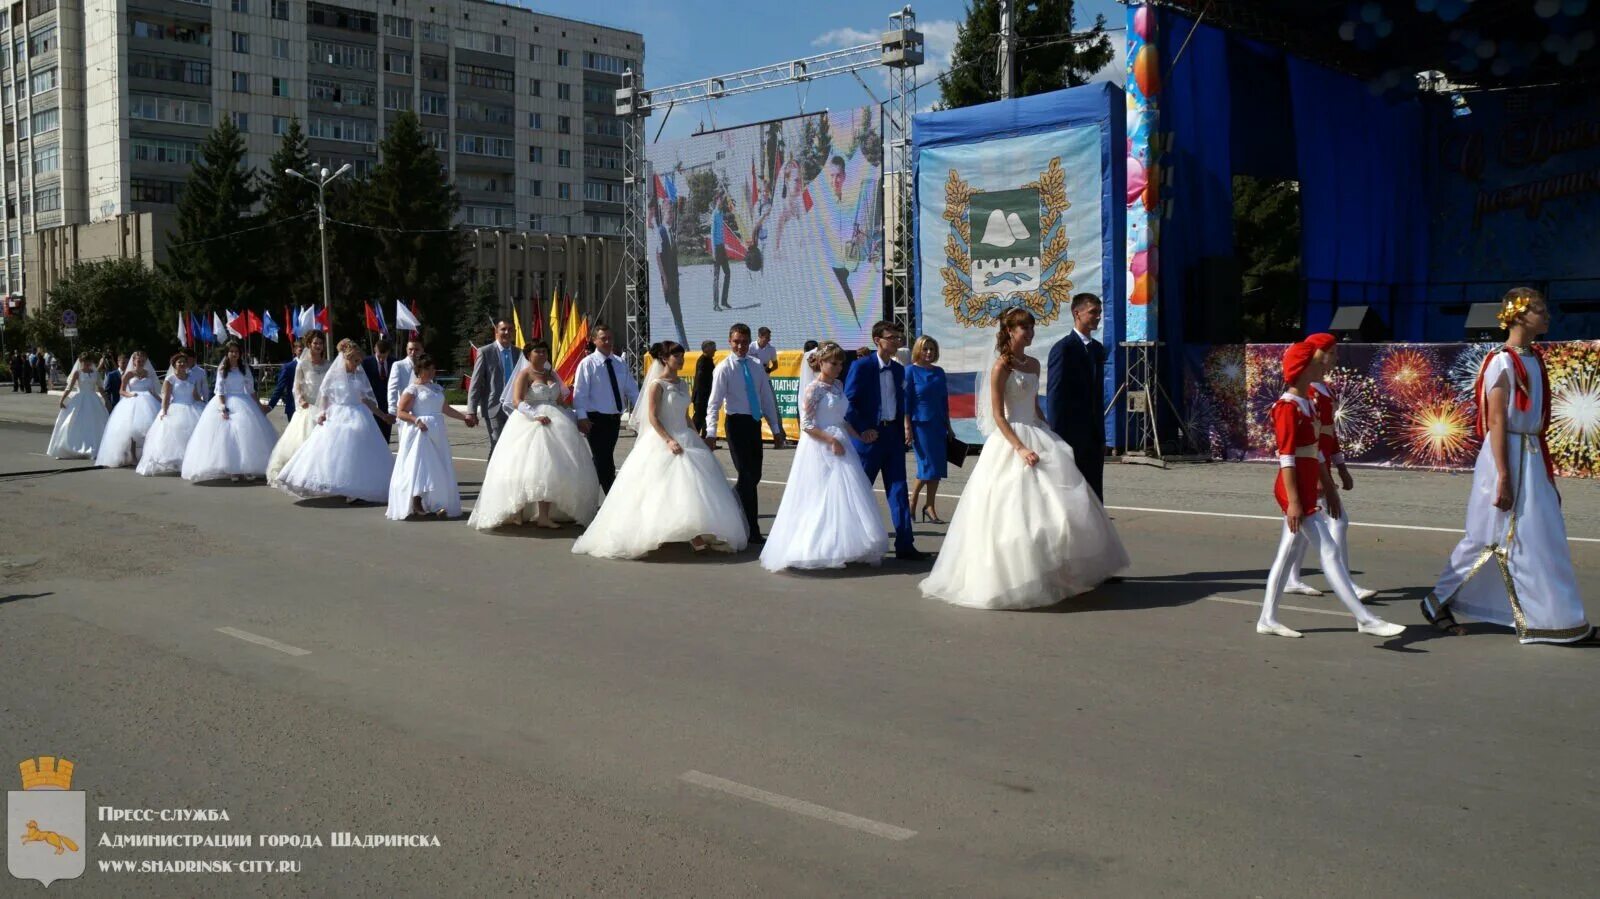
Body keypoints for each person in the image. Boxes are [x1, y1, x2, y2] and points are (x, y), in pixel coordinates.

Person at [921, 308, 1128, 610]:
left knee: (1057, 508)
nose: (1029, 333)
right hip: (1010, 439)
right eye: (1023, 329)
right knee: (1012, 511)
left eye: (1031, 328)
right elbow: (997, 415)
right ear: (1009, 332)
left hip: (1034, 431)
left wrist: (1048, 431)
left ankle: (1053, 572)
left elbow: (1033, 405)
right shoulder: (1000, 366)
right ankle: (1007, 578)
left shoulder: (1033, 363)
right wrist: (1019, 447)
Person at [1424, 288, 1592, 644]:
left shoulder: (1532, 357)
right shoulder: (1500, 361)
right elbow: (1497, 420)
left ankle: (1553, 617)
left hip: (1529, 452)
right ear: (1518, 315)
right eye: (1539, 310)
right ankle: (1438, 599)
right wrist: (1503, 475)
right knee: (1490, 534)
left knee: (1538, 535)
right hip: (1508, 454)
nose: (1547, 316)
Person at [1256, 341, 1405, 639]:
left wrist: (1330, 487)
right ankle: (1365, 619)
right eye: (1315, 364)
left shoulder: (1306, 403)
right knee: (1328, 550)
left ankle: (1267, 619)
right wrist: (1296, 502)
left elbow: (1316, 452)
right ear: (1301, 370)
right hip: (1295, 487)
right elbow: (1287, 459)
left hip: (1308, 483)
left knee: (1287, 553)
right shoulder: (1286, 407)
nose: (1321, 367)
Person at [573, 341, 748, 559]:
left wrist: (697, 436)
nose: (681, 361)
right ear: (665, 359)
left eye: (682, 357)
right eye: (677, 357)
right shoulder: (657, 384)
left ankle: (695, 531)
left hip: (685, 436)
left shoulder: (683, 384)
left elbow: (685, 416)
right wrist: (668, 440)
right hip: (662, 439)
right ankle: (666, 533)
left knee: (691, 487)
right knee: (659, 489)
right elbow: (653, 418)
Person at [761, 344, 888, 572]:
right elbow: (808, 425)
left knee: (843, 496)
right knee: (819, 494)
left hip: (841, 441)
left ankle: (843, 545)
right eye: (833, 363)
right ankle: (815, 547)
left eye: (840, 363)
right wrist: (831, 440)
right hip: (820, 446)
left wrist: (859, 435)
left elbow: (842, 419)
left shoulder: (839, 386)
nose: (838, 367)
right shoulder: (813, 389)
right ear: (821, 363)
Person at [1281, 333, 1378, 601]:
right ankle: (1346, 584)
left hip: (1319, 464)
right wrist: (1320, 475)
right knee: (1338, 521)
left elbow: (1329, 433)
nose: (1336, 358)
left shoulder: (1325, 390)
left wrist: (1341, 466)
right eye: (1332, 353)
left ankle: (1290, 580)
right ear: (1317, 354)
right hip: (1310, 467)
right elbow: (1300, 442)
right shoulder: (1306, 392)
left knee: (1298, 531)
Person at [470, 341, 601, 531]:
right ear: (528, 355)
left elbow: (560, 402)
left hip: (556, 422)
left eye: (544, 351)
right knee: (528, 468)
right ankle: (517, 511)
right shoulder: (525, 374)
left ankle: (544, 515)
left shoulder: (551, 374)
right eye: (537, 351)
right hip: (531, 423)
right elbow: (517, 401)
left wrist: (576, 419)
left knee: (552, 469)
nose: (541, 354)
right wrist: (535, 415)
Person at [273, 339, 395, 504]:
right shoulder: (334, 376)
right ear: (345, 358)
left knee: (359, 452)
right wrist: (322, 413)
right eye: (354, 361)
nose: (357, 364)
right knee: (335, 453)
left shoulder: (359, 374)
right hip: (339, 414)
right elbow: (325, 395)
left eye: (359, 361)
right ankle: (341, 485)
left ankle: (355, 487)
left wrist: (382, 415)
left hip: (359, 415)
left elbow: (367, 400)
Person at [843, 321, 924, 560]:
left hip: (892, 436)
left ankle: (905, 544)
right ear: (878, 340)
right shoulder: (862, 366)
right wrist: (862, 430)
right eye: (892, 337)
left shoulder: (900, 370)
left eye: (899, 337)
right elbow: (848, 404)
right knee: (859, 491)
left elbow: (901, 403)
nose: (897, 341)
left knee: (899, 490)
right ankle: (848, 542)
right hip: (870, 438)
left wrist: (904, 429)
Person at [703, 322, 785, 543]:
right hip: (736, 424)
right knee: (747, 475)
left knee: (754, 475)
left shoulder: (757, 366)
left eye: (744, 342)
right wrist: (711, 432)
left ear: (750, 343)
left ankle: (730, 501)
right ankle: (753, 529)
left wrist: (776, 429)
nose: (740, 346)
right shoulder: (724, 368)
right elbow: (714, 403)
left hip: (753, 424)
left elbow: (766, 399)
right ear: (730, 342)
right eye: (736, 342)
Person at [388, 353, 472, 520]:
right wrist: (415, 420)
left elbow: (445, 409)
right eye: (429, 368)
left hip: (437, 431)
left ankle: (435, 502)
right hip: (422, 433)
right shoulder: (412, 389)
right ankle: (417, 501)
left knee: (438, 467)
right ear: (420, 370)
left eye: (433, 368)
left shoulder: (436, 388)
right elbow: (401, 412)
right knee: (422, 467)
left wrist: (465, 417)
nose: (433, 371)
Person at [182, 339, 278, 483]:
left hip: (244, 401)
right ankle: (233, 470)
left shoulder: (244, 368)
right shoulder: (222, 369)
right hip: (226, 401)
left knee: (247, 436)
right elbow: (219, 390)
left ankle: (247, 469)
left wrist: (259, 406)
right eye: (231, 351)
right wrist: (222, 407)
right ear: (227, 353)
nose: (234, 354)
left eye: (236, 352)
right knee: (228, 438)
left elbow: (251, 390)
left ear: (240, 354)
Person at [1046, 293, 1108, 502]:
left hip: (1093, 433)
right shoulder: (1064, 348)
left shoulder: (1097, 349)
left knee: (1093, 492)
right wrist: (1056, 436)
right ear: (1077, 313)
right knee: (1071, 491)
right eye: (1092, 312)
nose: (1097, 317)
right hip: (1070, 434)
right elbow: (1055, 394)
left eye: (1099, 313)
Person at [571, 323, 638, 493]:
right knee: (604, 460)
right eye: (603, 338)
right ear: (594, 340)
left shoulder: (619, 362)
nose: (608, 341)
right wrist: (581, 416)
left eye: (610, 338)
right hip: (595, 419)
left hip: (614, 419)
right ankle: (612, 498)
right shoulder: (588, 364)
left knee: (601, 460)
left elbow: (632, 390)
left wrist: (641, 411)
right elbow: (580, 393)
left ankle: (587, 496)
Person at [266, 331, 331, 482]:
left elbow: (331, 386)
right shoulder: (303, 364)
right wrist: (301, 400)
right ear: (309, 344)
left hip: (324, 408)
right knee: (305, 443)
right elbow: (297, 386)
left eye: (320, 343)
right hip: (308, 408)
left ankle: (322, 475)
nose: (318, 346)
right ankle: (302, 475)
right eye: (315, 343)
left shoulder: (328, 364)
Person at [904, 335, 952, 523]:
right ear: (918, 350)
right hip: (920, 424)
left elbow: (943, 400)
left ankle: (930, 506)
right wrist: (907, 426)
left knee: (937, 467)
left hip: (938, 424)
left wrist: (949, 426)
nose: (929, 352)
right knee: (926, 466)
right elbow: (906, 401)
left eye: (932, 349)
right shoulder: (910, 371)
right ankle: (913, 500)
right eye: (925, 349)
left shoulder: (939, 372)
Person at [136, 353, 206, 476]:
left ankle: (190, 461)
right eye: (179, 362)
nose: (182, 364)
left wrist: (204, 404)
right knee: (176, 437)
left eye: (184, 361)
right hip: (176, 408)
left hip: (192, 407)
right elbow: (166, 397)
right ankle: (177, 461)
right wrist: (164, 411)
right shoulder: (170, 379)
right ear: (174, 365)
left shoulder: (192, 378)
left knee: (193, 435)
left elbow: (195, 395)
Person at [94, 351, 161, 468]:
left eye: (142, 360)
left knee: (149, 429)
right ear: (134, 361)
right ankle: (132, 454)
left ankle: (147, 454)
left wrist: (162, 402)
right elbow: (122, 391)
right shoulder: (129, 374)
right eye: (138, 360)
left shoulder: (148, 373)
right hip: (133, 402)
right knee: (132, 430)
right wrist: (131, 395)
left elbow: (153, 391)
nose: (140, 362)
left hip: (149, 402)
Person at [467, 319, 516, 456]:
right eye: (503, 329)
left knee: (513, 447)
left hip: (515, 408)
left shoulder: (519, 353)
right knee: (497, 444)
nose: (507, 332)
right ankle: (491, 477)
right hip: (494, 408)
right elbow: (475, 383)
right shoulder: (485, 352)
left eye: (510, 329)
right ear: (496, 332)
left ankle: (507, 477)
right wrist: (471, 410)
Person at [46, 353, 108, 460]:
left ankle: (94, 447)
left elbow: (100, 388)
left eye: (88, 362)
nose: (87, 364)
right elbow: (69, 387)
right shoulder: (77, 373)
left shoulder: (95, 373)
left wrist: (107, 400)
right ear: (80, 362)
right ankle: (67, 448)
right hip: (80, 399)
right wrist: (62, 399)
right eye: (84, 362)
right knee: (72, 423)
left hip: (93, 400)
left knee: (94, 423)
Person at [652, 196, 687, 344]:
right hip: (668, 281)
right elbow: (658, 256)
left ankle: (682, 343)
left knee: (677, 313)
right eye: (669, 212)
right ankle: (683, 344)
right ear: (663, 213)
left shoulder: (671, 232)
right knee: (675, 313)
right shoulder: (661, 231)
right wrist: (665, 280)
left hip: (674, 279)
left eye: (672, 212)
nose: (671, 215)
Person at [361, 337, 396, 442]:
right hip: (371, 404)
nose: (381, 359)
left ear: (388, 352)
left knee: (385, 438)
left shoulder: (394, 362)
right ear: (375, 350)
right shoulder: (366, 363)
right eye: (379, 356)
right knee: (372, 437)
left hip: (387, 405)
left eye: (384, 357)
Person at [386, 335, 421, 424]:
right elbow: (392, 388)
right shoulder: (398, 365)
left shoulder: (425, 366)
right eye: (410, 349)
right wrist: (392, 410)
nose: (413, 352)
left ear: (422, 350)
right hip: (404, 411)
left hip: (421, 412)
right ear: (406, 349)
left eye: (416, 349)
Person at [265, 339, 301, 422]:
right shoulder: (288, 367)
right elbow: (280, 387)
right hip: (294, 407)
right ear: (294, 350)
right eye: (300, 349)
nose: (304, 352)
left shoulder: (313, 366)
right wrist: (270, 406)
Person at [710, 193, 732, 312]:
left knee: (728, 273)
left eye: (722, 200)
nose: (721, 201)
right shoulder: (714, 215)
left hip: (722, 247)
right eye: (720, 200)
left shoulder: (721, 213)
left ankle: (724, 301)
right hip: (716, 249)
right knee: (716, 277)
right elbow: (712, 234)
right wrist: (713, 251)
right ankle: (715, 304)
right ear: (716, 201)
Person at [691, 340, 717, 436]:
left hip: (706, 395)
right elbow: (701, 381)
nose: (715, 350)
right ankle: (693, 438)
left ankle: (706, 438)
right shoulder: (703, 361)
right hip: (701, 397)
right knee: (699, 419)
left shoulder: (708, 360)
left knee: (706, 417)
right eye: (713, 348)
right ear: (707, 349)